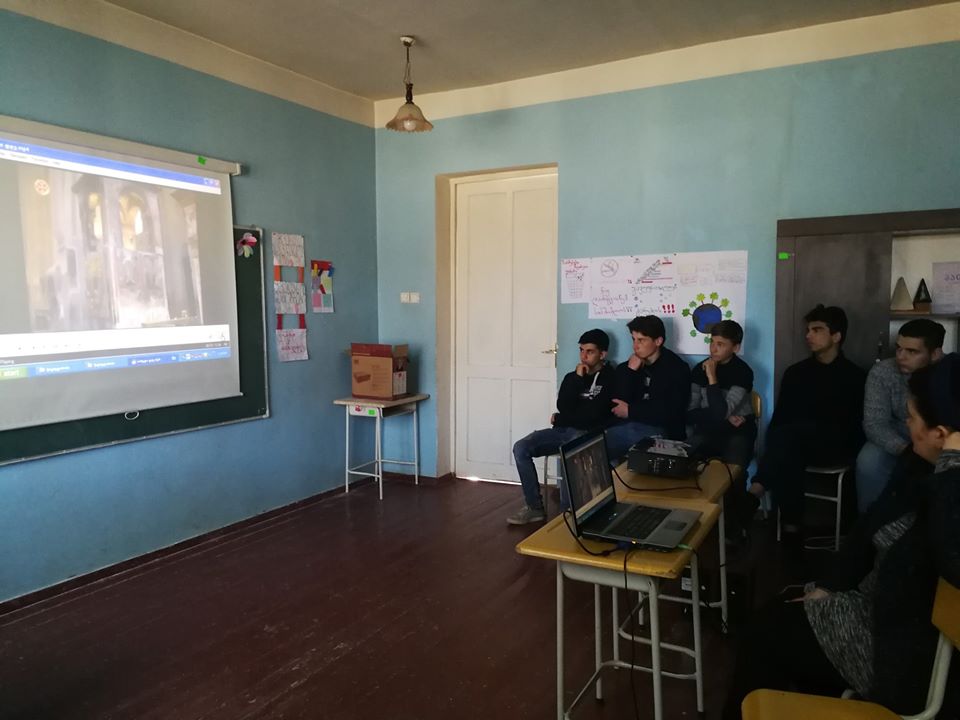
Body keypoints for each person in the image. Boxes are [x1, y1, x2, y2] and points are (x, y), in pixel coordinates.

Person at [722, 355, 960, 719]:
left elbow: (953, 556)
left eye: (911, 418)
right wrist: (829, 587)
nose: (906, 425)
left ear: (943, 436)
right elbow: (868, 528)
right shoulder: (918, 464)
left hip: (897, 649)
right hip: (873, 609)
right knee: (774, 614)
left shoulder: (949, 488)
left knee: (765, 635)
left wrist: (952, 466)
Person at [733, 305, 866, 545]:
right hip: (795, 446)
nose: (808, 336)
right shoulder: (796, 373)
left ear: (836, 336)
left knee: (789, 440)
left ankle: (756, 495)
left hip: (835, 446)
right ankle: (791, 531)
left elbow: (853, 427)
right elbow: (781, 418)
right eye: (808, 330)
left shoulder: (855, 376)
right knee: (787, 448)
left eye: (817, 330)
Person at [506, 329, 616, 525]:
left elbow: (595, 414)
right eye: (581, 350)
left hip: (588, 434)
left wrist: (560, 419)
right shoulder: (572, 377)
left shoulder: (611, 378)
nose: (584, 356)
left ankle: (569, 511)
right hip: (562, 431)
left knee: (570, 448)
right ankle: (534, 507)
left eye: (590, 351)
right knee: (521, 447)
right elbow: (563, 406)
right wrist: (577, 380)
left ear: (602, 354)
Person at [856, 319, 944, 513]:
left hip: (940, 437)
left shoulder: (950, 374)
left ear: (935, 354)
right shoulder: (883, 372)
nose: (901, 356)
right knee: (869, 460)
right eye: (898, 348)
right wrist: (905, 450)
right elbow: (874, 424)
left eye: (912, 351)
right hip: (899, 433)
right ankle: (870, 524)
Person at [605, 315, 691, 463]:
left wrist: (631, 411)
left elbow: (671, 412)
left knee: (603, 445)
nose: (635, 346)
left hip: (662, 430)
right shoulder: (628, 367)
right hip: (629, 424)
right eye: (634, 339)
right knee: (597, 442)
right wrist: (631, 372)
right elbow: (617, 403)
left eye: (641, 340)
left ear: (658, 341)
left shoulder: (676, 368)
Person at [687, 319, 756, 469]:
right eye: (712, 342)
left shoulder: (743, 372)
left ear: (735, 348)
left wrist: (712, 378)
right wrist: (725, 417)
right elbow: (690, 413)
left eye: (720, 344)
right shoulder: (699, 369)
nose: (713, 349)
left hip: (738, 431)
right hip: (708, 429)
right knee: (686, 457)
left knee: (733, 469)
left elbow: (720, 413)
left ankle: (738, 484)